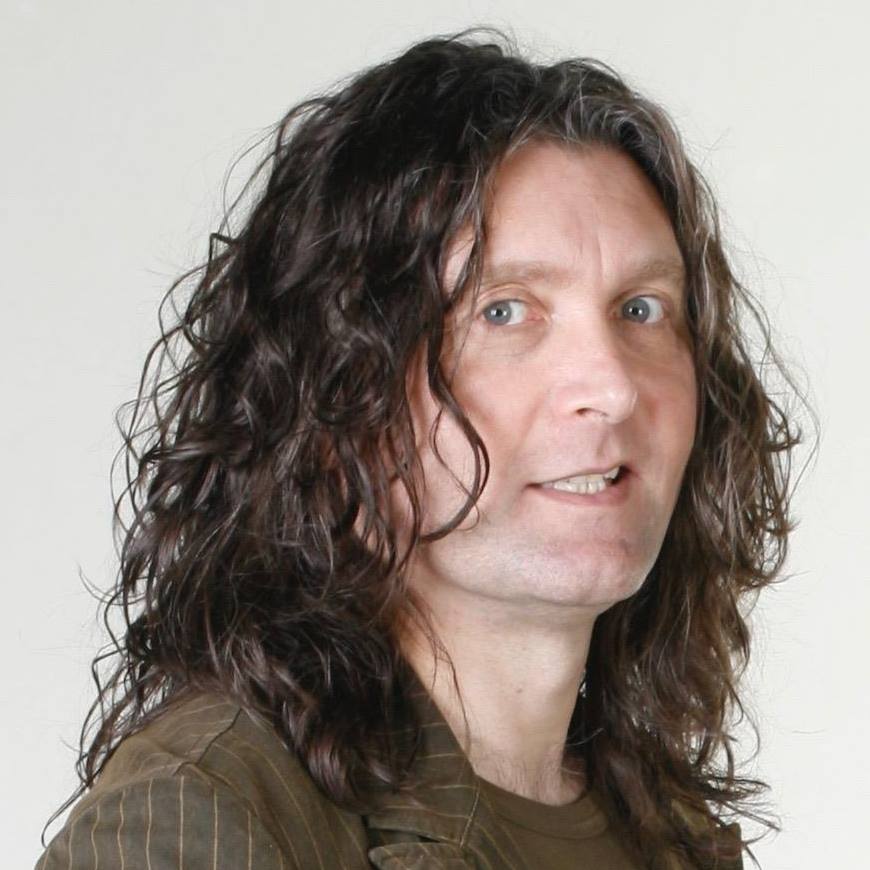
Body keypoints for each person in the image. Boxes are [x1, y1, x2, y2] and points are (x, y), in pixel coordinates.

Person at [37, 30, 805, 870]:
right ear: (340, 387)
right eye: (504, 311)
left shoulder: (667, 833)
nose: (613, 386)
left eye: (642, 309)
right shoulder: (202, 806)